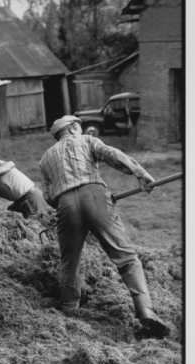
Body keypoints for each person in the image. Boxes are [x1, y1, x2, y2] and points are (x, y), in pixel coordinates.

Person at [39, 115, 169, 337]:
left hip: (65, 206)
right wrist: (140, 173)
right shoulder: (87, 140)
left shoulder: (45, 159)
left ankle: (68, 310)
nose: (80, 128)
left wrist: (68, 197)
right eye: (78, 125)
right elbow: (112, 155)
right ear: (72, 128)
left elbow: (49, 196)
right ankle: (145, 310)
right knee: (127, 258)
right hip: (96, 197)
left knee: (69, 261)